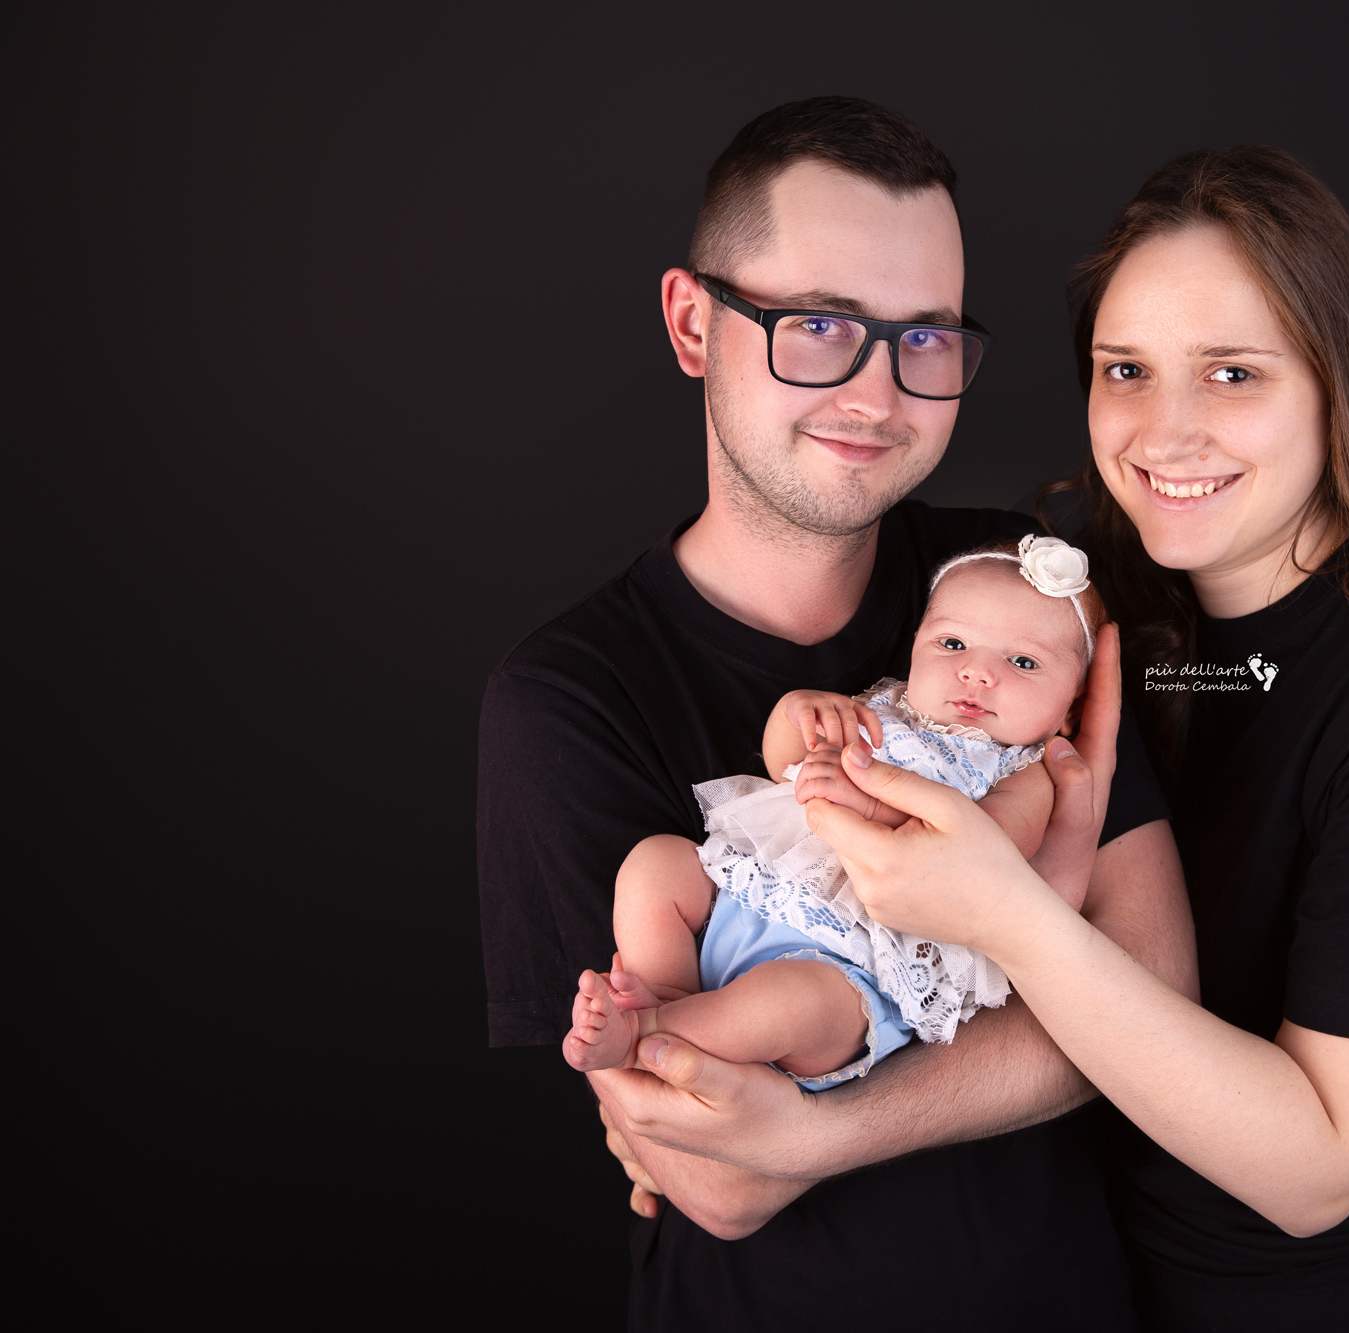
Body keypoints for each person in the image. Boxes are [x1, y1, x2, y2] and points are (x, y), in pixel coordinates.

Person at [804, 146, 1349, 1330]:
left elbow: (1316, 1169)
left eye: (1232, 373)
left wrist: (1004, 914)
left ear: (1341, 385)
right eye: (1124, 371)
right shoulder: (1114, 617)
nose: (1164, 431)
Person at [476, 97, 1194, 1329]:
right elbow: (714, 1181)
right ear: (692, 324)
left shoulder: (1010, 590)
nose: (878, 392)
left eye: (926, 339)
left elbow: (1151, 994)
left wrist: (812, 1133)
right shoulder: (567, 697)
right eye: (816, 326)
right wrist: (730, 1121)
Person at [562, 537, 1108, 1083]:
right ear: (917, 646)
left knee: (784, 1003)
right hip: (750, 896)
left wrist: (870, 804)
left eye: (1022, 661)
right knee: (656, 864)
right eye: (953, 643)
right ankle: (667, 989)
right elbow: (784, 767)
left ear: (1070, 708)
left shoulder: (1024, 770)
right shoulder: (881, 707)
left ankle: (648, 1032)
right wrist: (794, 713)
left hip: (848, 969)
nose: (977, 672)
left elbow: (986, 849)